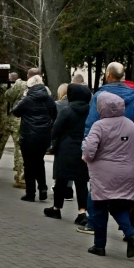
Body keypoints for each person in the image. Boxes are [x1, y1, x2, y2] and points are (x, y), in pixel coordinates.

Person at [82, 92, 134, 258]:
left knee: (99, 209)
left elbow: (89, 150)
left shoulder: (99, 126)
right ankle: (131, 234)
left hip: (103, 175)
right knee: (118, 207)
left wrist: (87, 158)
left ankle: (99, 246)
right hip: (126, 174)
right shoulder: (131, 125)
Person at [44, 84, 91, 223]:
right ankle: (82, 212)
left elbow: (55, 130)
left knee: (61, 179)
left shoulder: (67, 111)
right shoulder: (91, 111)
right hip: (84, 148)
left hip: (66, 148)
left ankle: (56, 209)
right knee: (82, 182)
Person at [12, 73, 56, 202]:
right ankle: (42, 188)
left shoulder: (27, 99)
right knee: (39, 161)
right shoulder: (49, 99)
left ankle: (30, 193)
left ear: (30, 86)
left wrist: (23, 96)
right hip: (44, 136)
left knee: (29, 164)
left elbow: (16, 112)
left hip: (28, 136)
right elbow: (54, 115)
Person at [85, 62, 134, 137]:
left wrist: (87, 143)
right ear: (123, 75)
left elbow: (91, 123)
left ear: (108, 74)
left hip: (104, 144)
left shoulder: (99, 96)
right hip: (125, 143)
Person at [3, 72, 28, 188]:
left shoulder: (19, 86)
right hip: (29, 121)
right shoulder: (44, 89)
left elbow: (7, 96)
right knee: (20, 147)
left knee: (16, 147)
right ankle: (20, 174)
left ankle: (21, 176)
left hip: (15, 118)